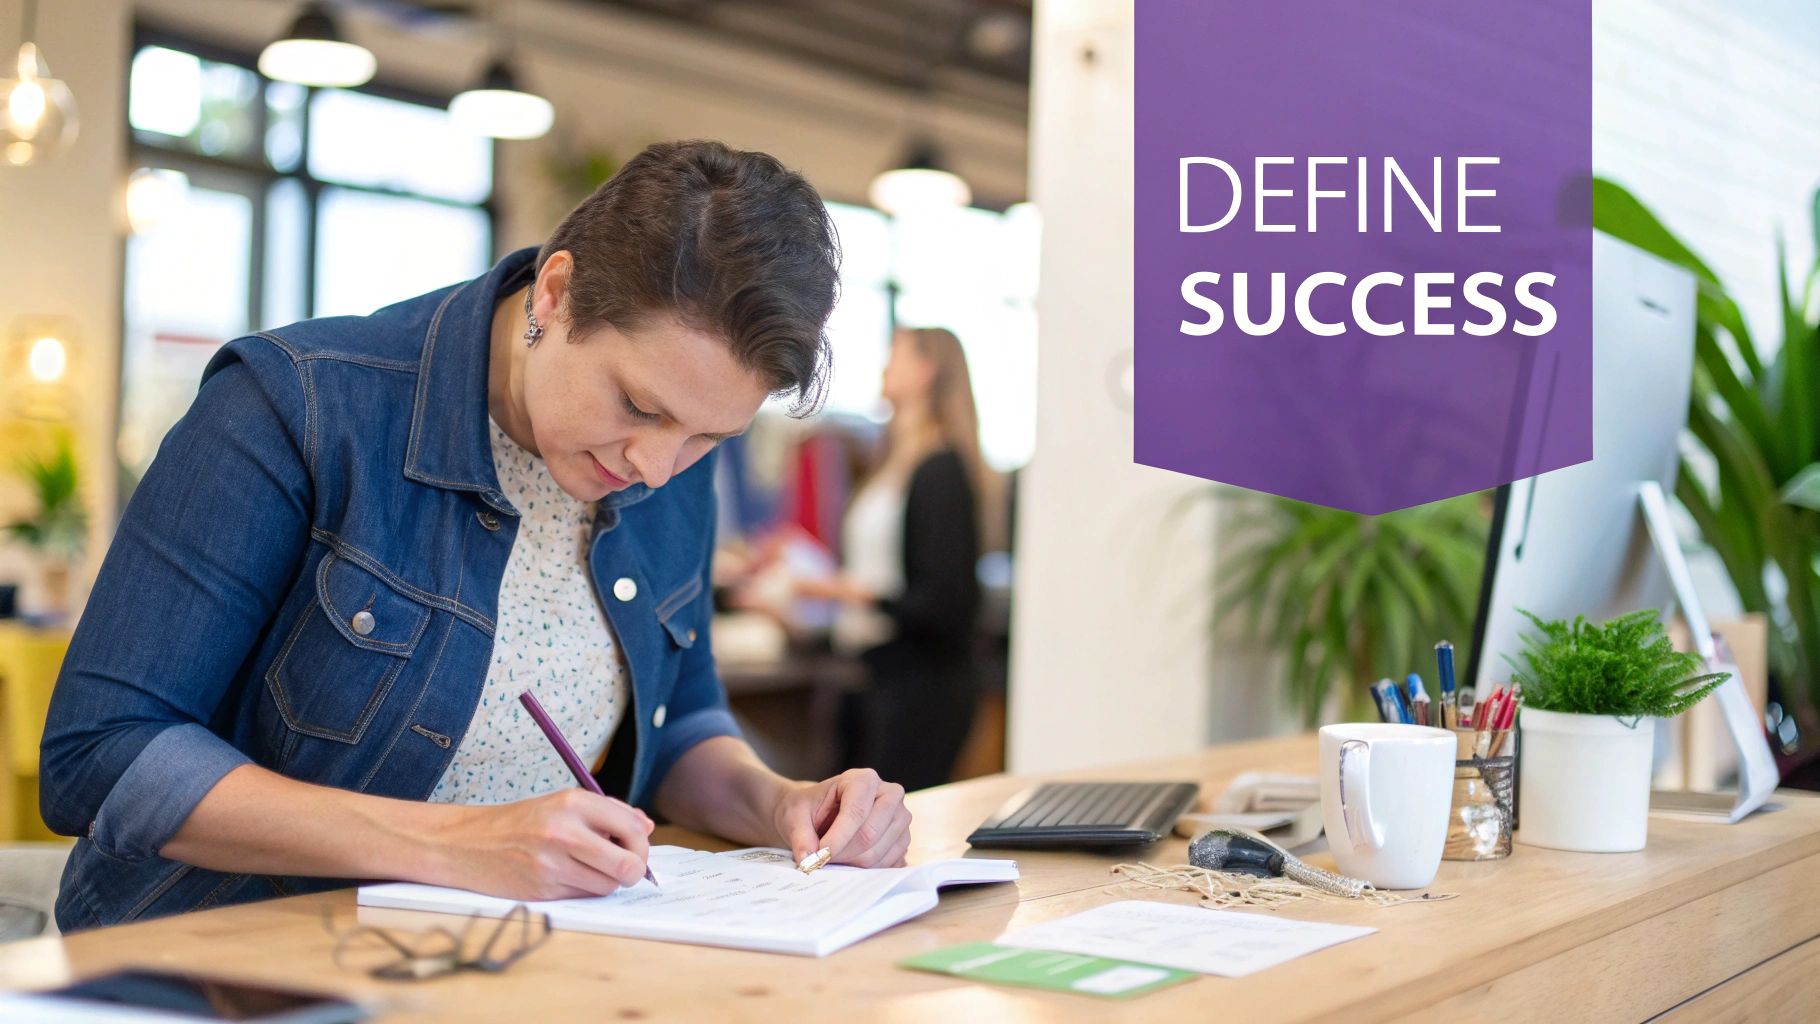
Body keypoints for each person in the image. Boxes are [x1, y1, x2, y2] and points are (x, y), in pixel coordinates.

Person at [38, 141, 912, 931]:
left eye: (707, 438)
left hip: (499, 962)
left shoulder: (666, 468)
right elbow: (103, 754)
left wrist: (781, 804)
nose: (656, 467)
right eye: (639, 405)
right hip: (218, 964)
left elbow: (679, 718)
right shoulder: (296, 409)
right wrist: (457, 843)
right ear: (556, 295)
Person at [795, 328, 987, 791]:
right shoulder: (890, 465)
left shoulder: (940, 469)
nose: (884, 367)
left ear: (926, 370)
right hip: (874, 677)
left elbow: (945, 602)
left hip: (919, 690)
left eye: (895, 356)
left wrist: (852, 592)